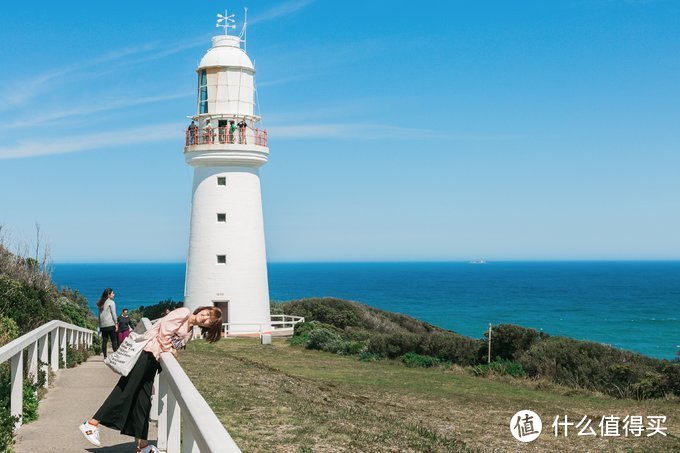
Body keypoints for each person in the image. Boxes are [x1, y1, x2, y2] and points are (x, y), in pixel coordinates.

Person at [79, 306, 223, 452]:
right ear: (203, 310)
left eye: (209, 322)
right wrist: (169, 349)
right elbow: (164, 332)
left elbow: (175, 345)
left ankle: (142, 446)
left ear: (207, 327)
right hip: (146, 353)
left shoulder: (189, 333)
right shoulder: (184, 312)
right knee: (126, 389)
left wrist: (171, 348)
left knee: (144, 400)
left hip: (153, 360)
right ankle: (92, 423)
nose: (205, 318)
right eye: (207, 314)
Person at [97, 288, 118, 358]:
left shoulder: (101, 303)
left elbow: (99, 316)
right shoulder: (111, 302)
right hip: (110, 324)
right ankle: (116, 356)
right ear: (109, 295)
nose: (114, 294)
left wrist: (99, 325)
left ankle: (105, 356)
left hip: (103, 325)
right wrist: (116, 323)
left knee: (104, 341)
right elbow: (114, 314)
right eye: (112, 293)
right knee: (114, 340)